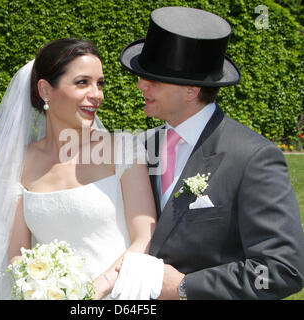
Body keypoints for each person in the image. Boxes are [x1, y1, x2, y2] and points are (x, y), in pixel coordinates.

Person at [0, 38, 157, 300]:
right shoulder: (20, 163)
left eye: (100, 83)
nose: (97, 94)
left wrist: (93, 292)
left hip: (121, 295)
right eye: (82, 82)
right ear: (45, 90)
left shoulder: (124, 149)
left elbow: (145, 237)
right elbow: (17, 253)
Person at [112, 7, 304, 300]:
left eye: (155, 79)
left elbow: (282, 268)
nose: (140, 85)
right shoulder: (142, 147)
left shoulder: (253, 157)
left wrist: (186, 288)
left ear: (191, 90)